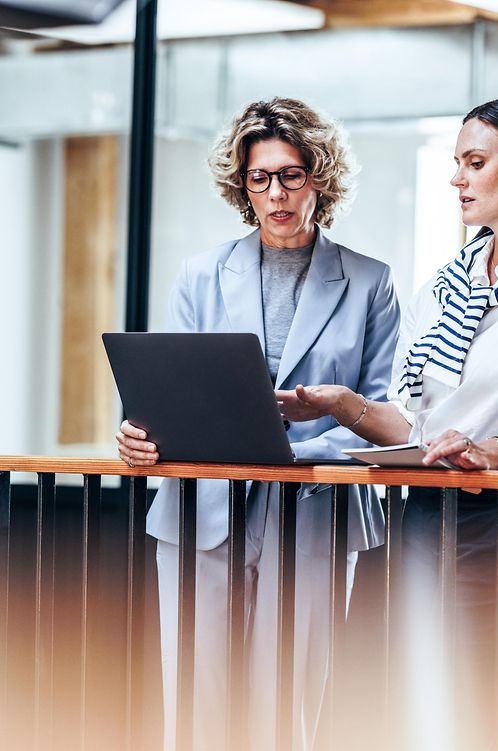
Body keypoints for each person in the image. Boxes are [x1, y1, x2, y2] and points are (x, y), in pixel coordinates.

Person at [278, 96, 498, 748]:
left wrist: (489, 450)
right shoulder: (447, 282)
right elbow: (414, 421)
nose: (457, 178)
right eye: (455, 163)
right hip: (418, 508)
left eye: (474, 162)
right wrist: (344, 404)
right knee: (364, 705)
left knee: (462, 711)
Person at [116, 97, 400, 751]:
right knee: (195, 701)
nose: (276, 193)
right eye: (260, 177)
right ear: (241, 185)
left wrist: (306, 443)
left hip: (314, 506)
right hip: (203, 507)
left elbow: (384, 412)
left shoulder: (369, 282)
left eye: (291, 174)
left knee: (290, 702)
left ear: (318, 176)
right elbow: (163, 388)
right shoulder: (199, 274)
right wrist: (135, 431)